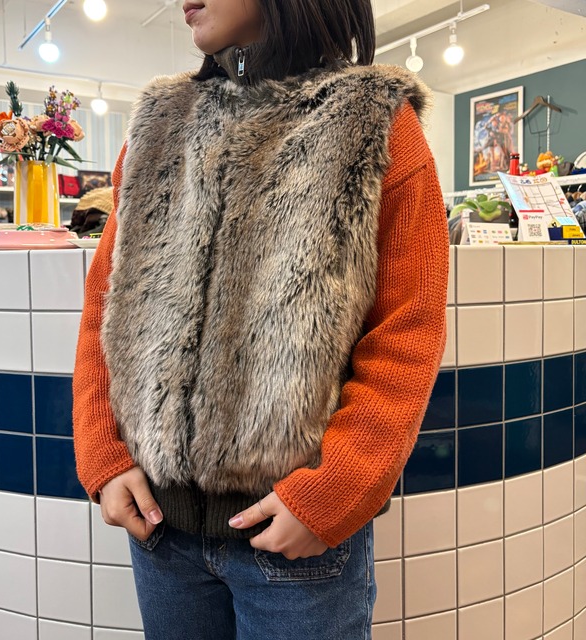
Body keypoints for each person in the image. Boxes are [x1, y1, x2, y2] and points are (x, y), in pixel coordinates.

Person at [72, 0, 449, 637]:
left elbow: (407, 331)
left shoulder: (373, 121)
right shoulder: (160, 121)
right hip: (161, 534)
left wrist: (334, 490)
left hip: (295, 542)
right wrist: (105, 456)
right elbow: (106, 306)